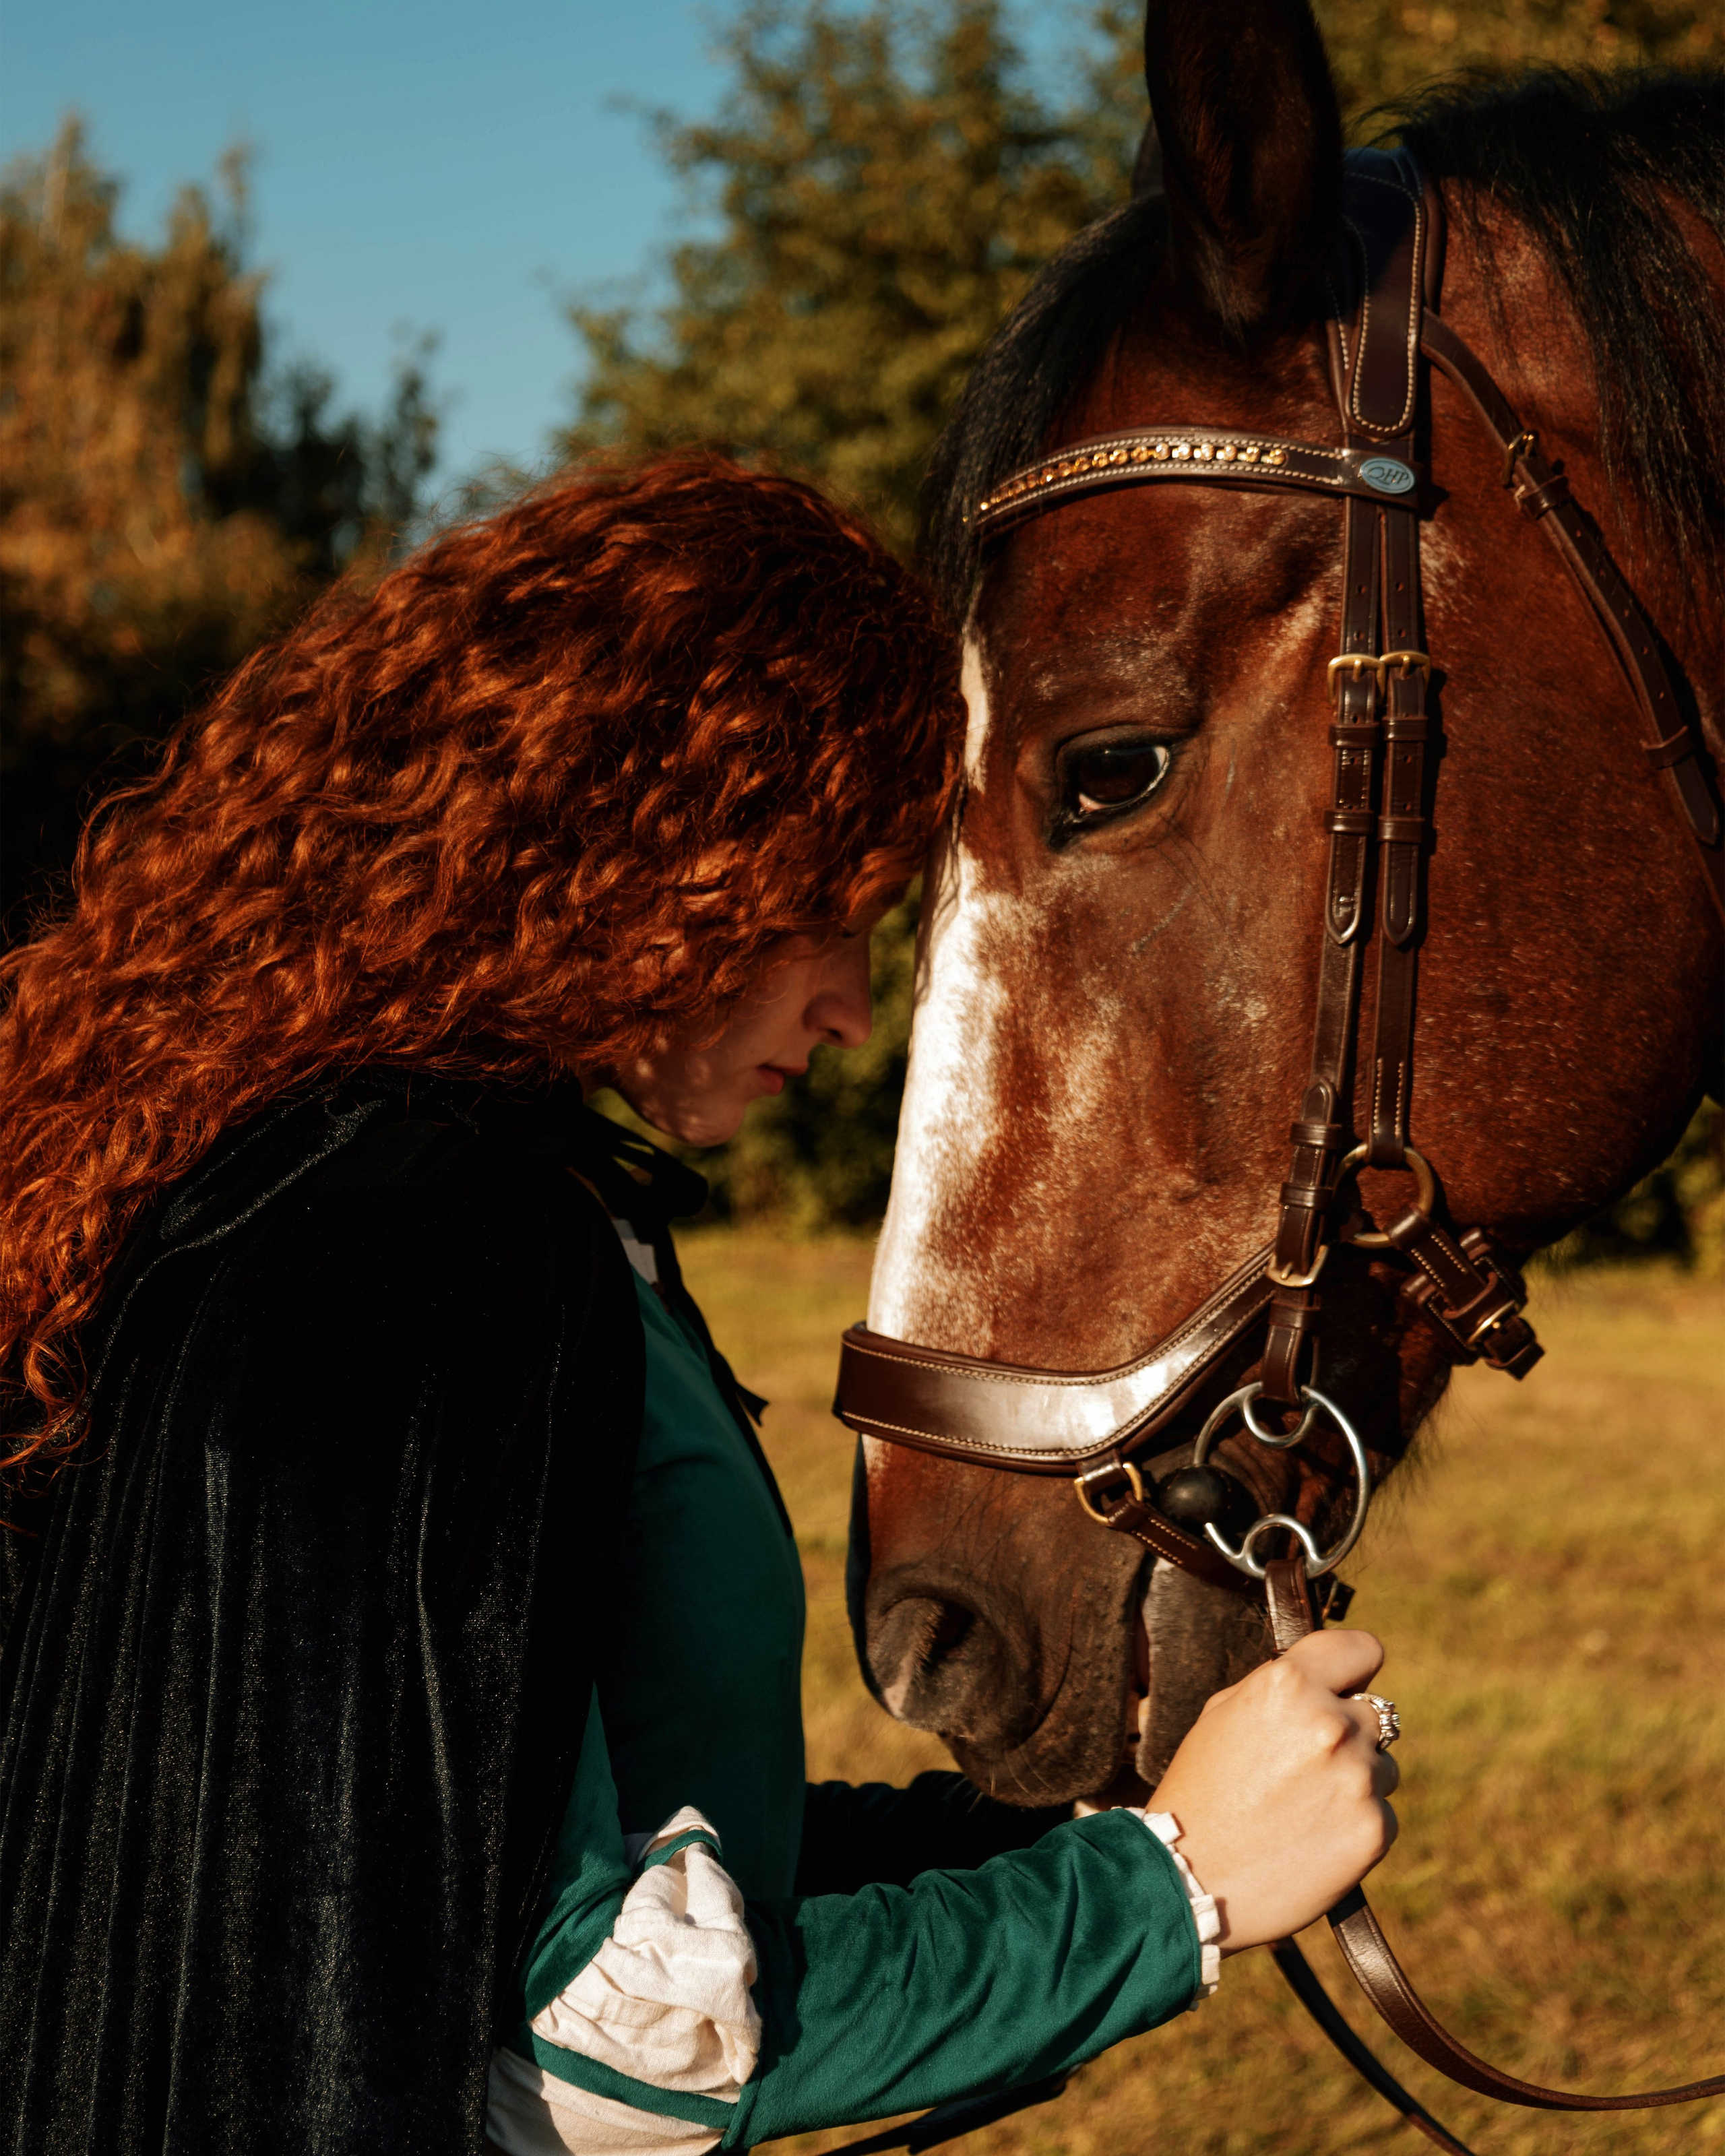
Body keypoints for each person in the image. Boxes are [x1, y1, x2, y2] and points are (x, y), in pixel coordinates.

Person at [0, 455, 1398, 2156]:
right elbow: (596, 2052)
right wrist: (1167, 1891)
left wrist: (1053, 1833)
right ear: (648, 856)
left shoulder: (298, 1184)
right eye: (825, 913)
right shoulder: (440, 1254)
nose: (848, 1007)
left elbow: (463, 1836)